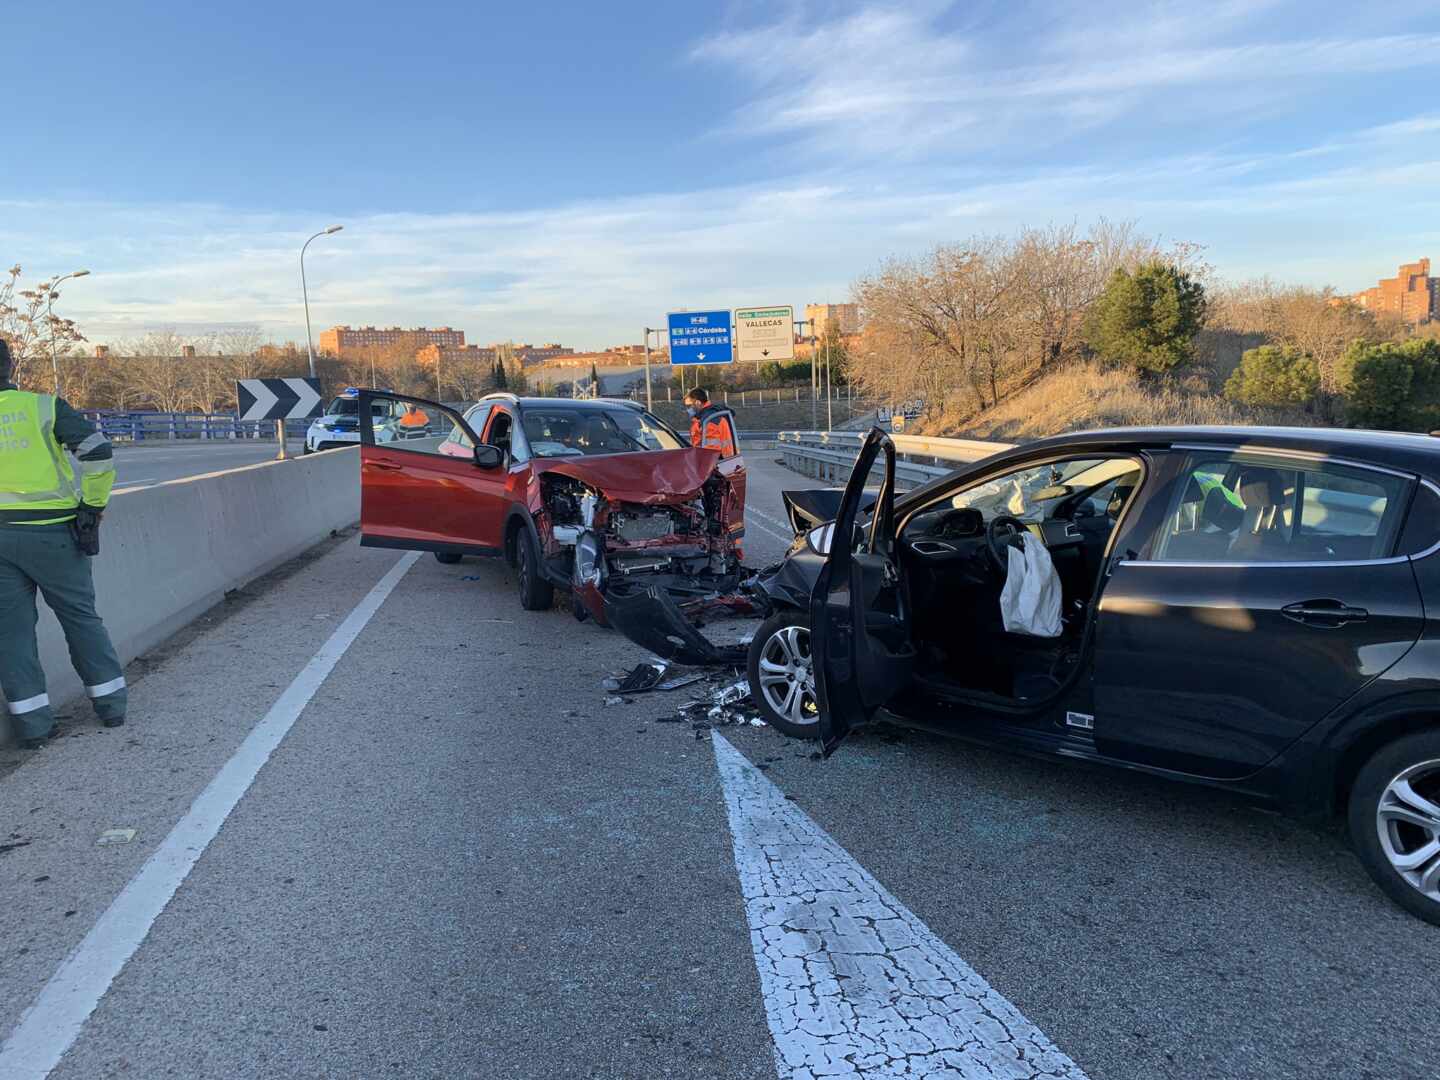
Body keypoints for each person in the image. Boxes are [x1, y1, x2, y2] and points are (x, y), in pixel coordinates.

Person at [0, 339, 125, 748]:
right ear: (11, 366)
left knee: (11, 635)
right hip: (54, 534)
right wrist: (92, 505)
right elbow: (98, 451)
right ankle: (111, 708)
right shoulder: (43, 406)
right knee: (80, 618)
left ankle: (34, 729)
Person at [683, 387, 736, 457]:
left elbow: (710, 452)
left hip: (714, 463)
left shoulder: (709, 420)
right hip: (724, 460)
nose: (687, 409)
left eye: (689, 406)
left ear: (698, 402)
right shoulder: (709, 415)